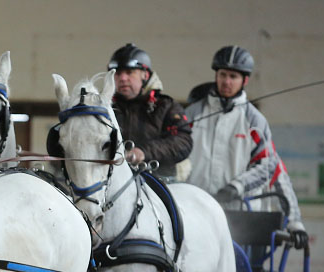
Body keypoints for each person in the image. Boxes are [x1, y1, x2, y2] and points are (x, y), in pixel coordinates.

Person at [186, 45, 308, 247]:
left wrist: (295, 222)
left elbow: (271, 168)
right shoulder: (192, 114)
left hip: (239, 218)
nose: (226, 81)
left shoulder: (254, 121)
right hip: (194, 213)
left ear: (245, 80)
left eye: (233, 76)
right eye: (222, 74)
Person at [107, 43, 193, 181]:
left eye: (129, 72)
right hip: (114, 183)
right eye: (117, 73)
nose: (122, 78)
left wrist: (144, 152)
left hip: (160, 181)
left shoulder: (166, 106)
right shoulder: (105, 108)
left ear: (145, 75)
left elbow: (183, 142)